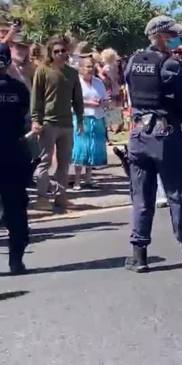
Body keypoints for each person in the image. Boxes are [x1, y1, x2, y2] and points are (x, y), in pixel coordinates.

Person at [123, 15, 182, 272]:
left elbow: (131, 95)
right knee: (178, 194)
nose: (174, 39)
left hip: (137, 134)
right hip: (166, 135)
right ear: (157, 35)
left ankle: (139, 255)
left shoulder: (132, 62)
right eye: (170, 35)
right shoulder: (171, 66)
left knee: (141, 197)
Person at [31, 36, 84, 211]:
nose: (60, 54)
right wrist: (35, 120)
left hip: (67, 124)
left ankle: (61, 197)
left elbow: (77, 99)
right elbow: (36, 98)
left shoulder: (72, 73)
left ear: (67, 51)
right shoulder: (43, 70)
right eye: (56, 51)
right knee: (44, 161)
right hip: (48, 123)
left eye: (63, 50)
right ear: (51, 53)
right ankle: (41, 197)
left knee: (64, 163)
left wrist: (81, 120)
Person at [0, 43, 32, 275]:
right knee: (16, 211)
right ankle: (16, 261)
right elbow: (25, 122)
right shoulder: (20, 90)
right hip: (13, 156)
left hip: (11, 156)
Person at [71, 57, 108, 190]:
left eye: (92, 66)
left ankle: (88, 178)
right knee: (80, 148)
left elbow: (105, 98)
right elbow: (71, 100)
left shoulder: (98, 82)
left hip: (97, 117)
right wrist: (89, 103)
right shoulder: (76, 82)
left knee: (92, 149)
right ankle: (76, 180)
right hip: (82, 117)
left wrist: (103, 102)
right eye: (87, 67)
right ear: (80, 68)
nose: (90, 69)